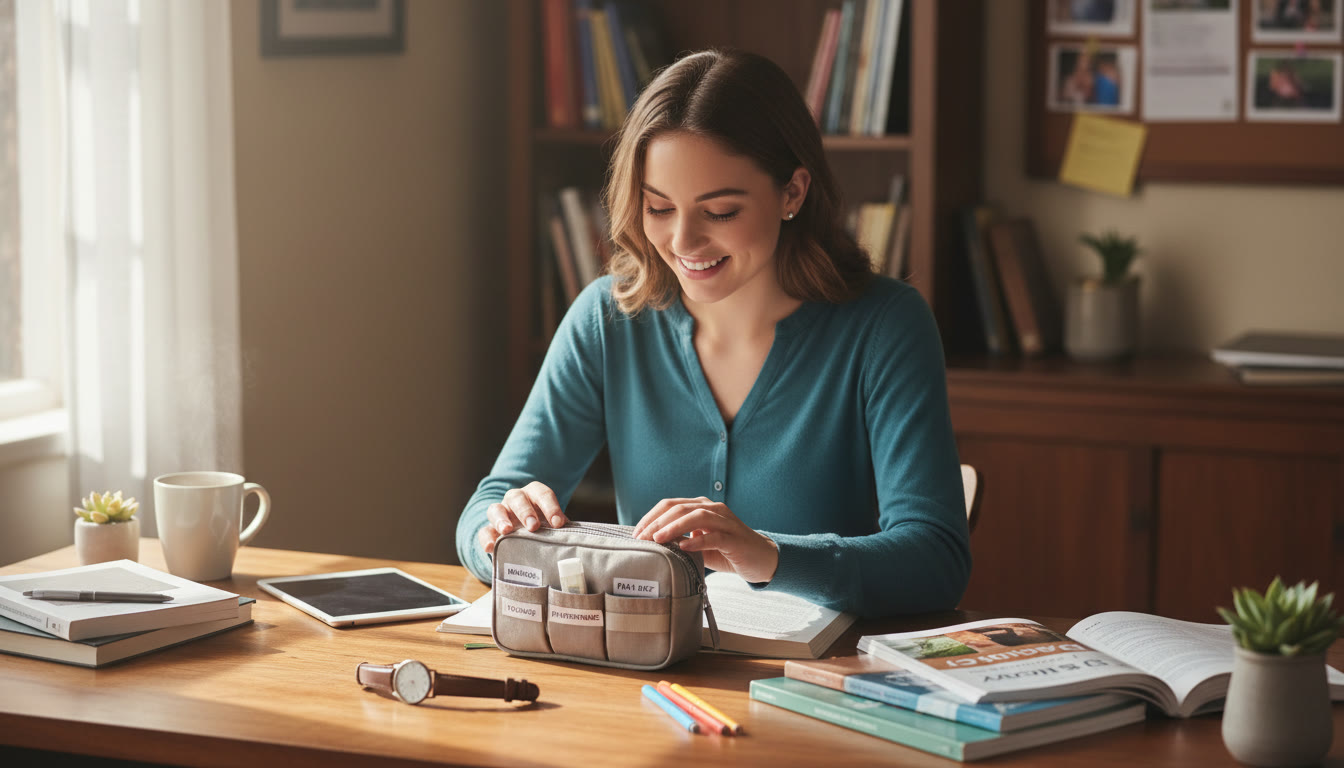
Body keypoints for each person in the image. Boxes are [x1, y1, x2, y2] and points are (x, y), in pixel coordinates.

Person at [455, 49, 970, 618]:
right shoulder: (607, 318)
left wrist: (768, 555)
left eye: (719, 211)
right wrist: (502, 531)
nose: (682, 242)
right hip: (646, 672)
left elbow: (935, 560)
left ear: (793, 193)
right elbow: (482, 511)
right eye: (658, 207)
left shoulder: (884, 327)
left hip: (821, 683)